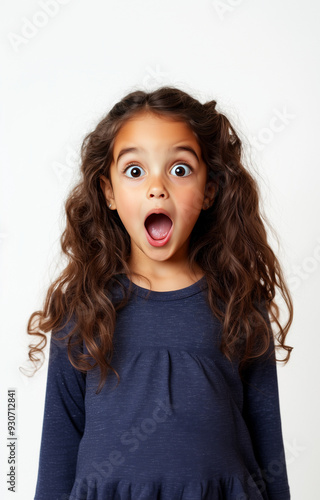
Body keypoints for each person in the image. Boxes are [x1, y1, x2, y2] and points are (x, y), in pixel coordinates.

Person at [28, 86, 293, 500]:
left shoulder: (241, 305)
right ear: (108, 191)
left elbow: (269, 452)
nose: (157, 187)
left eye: (180, 169)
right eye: (135, 171)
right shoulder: (82, 310)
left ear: (209, 190)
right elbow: (57, 456)